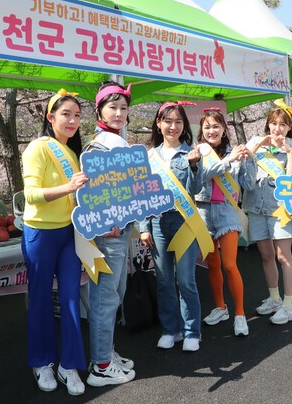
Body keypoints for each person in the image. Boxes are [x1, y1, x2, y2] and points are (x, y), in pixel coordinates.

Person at [21, 90, 88, 395]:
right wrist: (69, 186)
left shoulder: (72, 153)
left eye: (77, 115)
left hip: (68, 233)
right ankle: (42, 361)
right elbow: (31, 195)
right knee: (40, 299)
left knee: (72, 299)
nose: (72, 120)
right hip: (40, 234)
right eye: (66, 114)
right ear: (50, 117)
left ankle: (69, 364)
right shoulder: (38, 148)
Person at [139, 101, 203, 352]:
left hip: (183, 220)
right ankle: (170, 329)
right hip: (157, 222)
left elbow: (196, 190)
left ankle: (192, 331)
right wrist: (144, 226)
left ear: (184, 125)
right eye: (168, 121)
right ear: (158, 124)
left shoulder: (191, 153)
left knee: (186, 280)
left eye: (178, 122)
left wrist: (195, 166)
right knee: (164, 280)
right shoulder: (149, 156)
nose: (173, 126)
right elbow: (143, 193)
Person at [83, 81, 136, 387]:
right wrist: (105, 221)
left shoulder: (117, 141)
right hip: (109, 232)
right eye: (112, 107)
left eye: (123, 108)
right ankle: (101, 365)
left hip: (121, 228)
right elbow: (90, 192)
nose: (119, 113)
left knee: (115, 294)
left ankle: (106, 352)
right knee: (105, 297)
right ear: (99, 110)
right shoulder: (98, 145)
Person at [194, 107, 255, 336]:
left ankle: (240, 313)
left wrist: (250, 159)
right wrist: (229, 161)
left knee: (229, 264)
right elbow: (200, 177)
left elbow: (248, 184)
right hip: (203, 211)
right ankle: (220, 307)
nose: (211, 131)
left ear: (224, 129)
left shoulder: (235, 152)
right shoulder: (198, 152)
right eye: (207, 127)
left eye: (216, 126)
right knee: (212, 264)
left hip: (227, 211)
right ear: (201, 129)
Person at [243, 101, 292, 325]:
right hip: (256, 208)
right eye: (274, 123)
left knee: (283, 256)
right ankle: (275, 299)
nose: (277, 128)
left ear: (289, 128)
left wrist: (289, 154)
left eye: (283, 125)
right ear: (268, 125)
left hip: (280, 210)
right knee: (266, 255)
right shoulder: (257, 146)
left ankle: (289, 305)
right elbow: (243, 170)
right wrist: (258, 146)